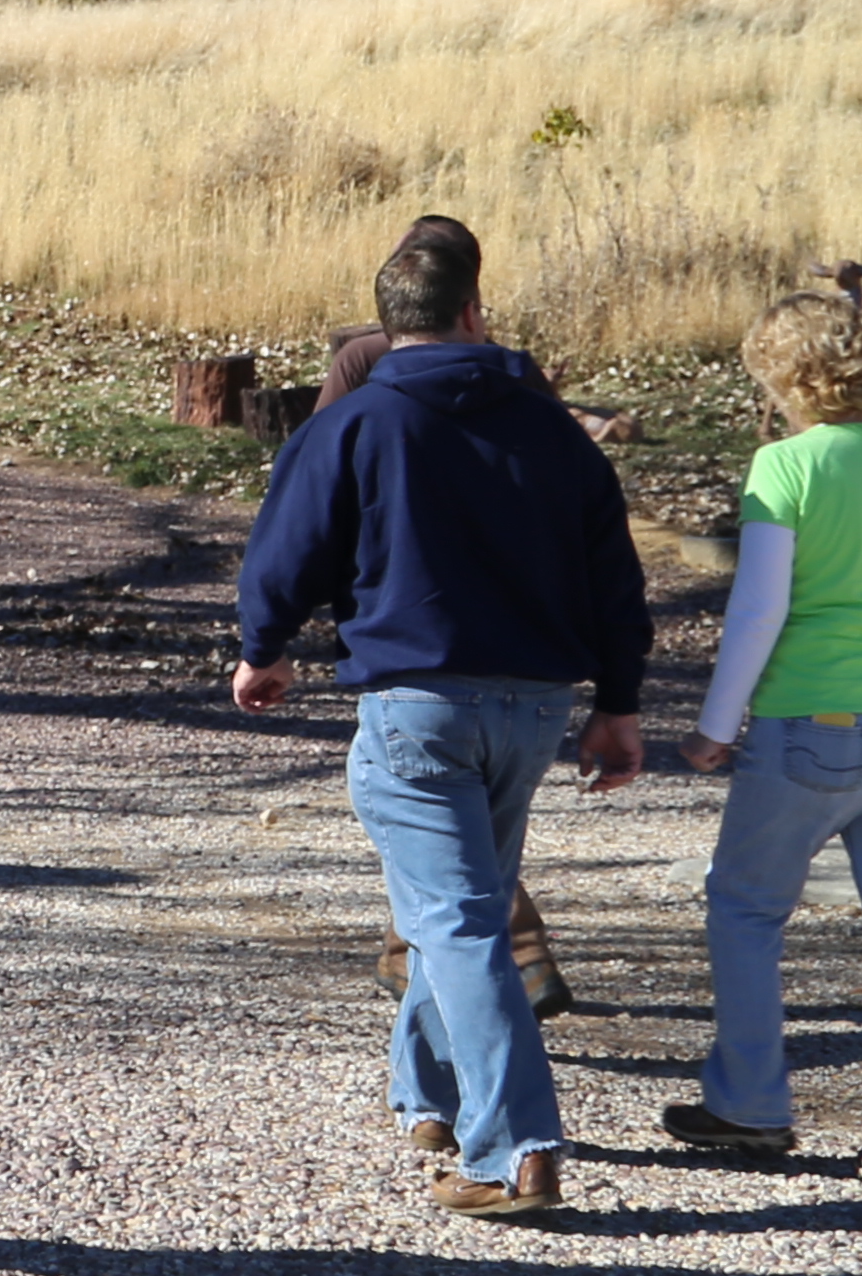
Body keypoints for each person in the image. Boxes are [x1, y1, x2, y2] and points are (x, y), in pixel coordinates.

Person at [234, 221, 653, 1223]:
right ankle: (430, 1098)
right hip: (535, 708)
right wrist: (620, 704)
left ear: (386, 329)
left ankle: (514, 1152)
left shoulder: (356, 424)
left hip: (419, 703)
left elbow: (285, 550)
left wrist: (264, 645)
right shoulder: (552, 429)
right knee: (453, 906)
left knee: (459, 920)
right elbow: (614, 577)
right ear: (473, 314)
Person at [672, 281, 862, 1210]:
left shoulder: (786, 468)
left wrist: (716, 725)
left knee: (746, 908)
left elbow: (759, 608)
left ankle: (751, 1102)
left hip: (811, 729)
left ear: (785, 378)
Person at [319, 214, 588, 1017]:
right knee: (449, 812)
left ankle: (479, 966)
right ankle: (478, 961)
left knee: (435, 810)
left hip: (425, 626)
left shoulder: (484, 369)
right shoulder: (378, 360)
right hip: (449, 618)